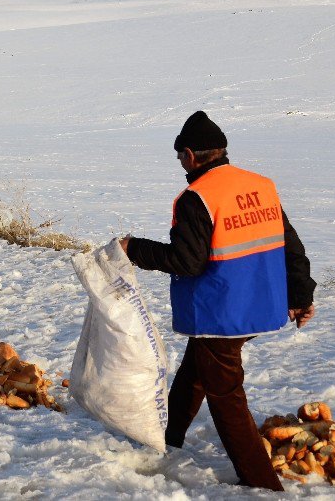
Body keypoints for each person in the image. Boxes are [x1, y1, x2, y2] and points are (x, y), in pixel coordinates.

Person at [120, 111, 316, 491]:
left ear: (191, 155)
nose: (181, 166)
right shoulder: (260, 185)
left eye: (180, 158)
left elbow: (186, 261)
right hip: (262, 306)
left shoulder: (198, 197)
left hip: (223, 314)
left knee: (226, 396)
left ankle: (261, 484)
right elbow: (290, 245)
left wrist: (134, 248)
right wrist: (301, 295)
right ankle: (168, 437)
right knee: (197, 368)